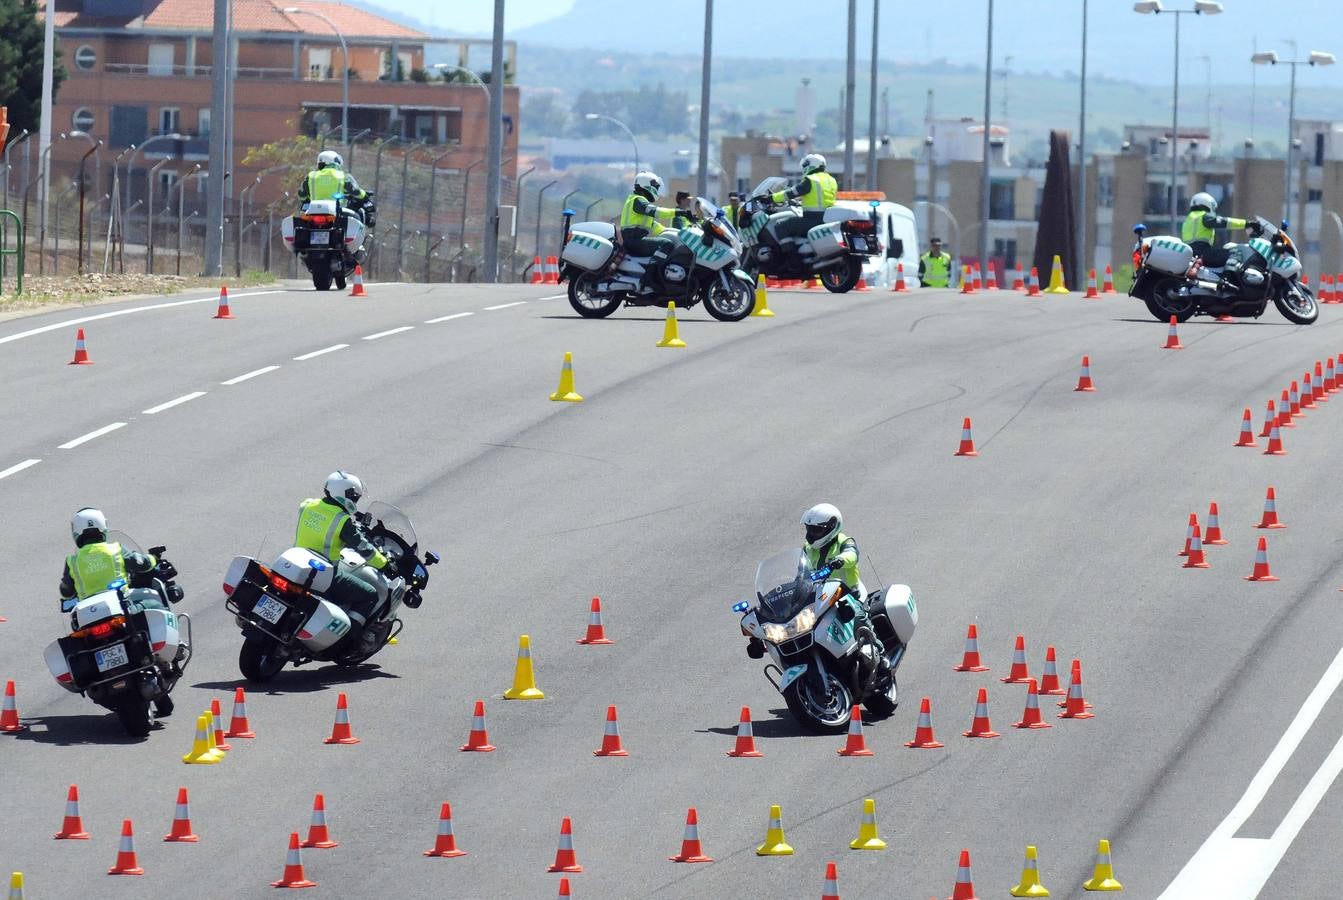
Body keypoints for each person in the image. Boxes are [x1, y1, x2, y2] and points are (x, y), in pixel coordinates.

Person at [294, 471, 392, 627]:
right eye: (354, 498)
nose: (355, 501)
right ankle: (348, 639)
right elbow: (363, 548)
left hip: (297, 563)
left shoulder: (307, 505)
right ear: (344, 495)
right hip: (323, 574)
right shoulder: (342, 520)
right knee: (370, 595)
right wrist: (385, 564)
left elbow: (321, 527)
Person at [59, 508, 163, 612]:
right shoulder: (116, 549)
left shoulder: (72, 561)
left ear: (75, 531)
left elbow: (66, 592)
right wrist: (154, 557)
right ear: (102, 526)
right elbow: (142, 563)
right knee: (156, 604)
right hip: (120, 606)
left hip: (89, 612)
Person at [619, 171, 684, 290]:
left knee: (669, 240)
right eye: (656, 187)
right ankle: (649, 277)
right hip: (635, 240)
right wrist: (678, 212)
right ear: (646, 185)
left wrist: (680, 233)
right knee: (666, 244)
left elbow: (656, 227)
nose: (656, 189)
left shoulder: (638, 202)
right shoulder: (638, 200)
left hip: (636, 239)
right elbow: (656, 211)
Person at [768, 153, 837, 240]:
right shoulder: (831, 180)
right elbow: (821, 197)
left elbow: (791, 193)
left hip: (812, 220)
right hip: (826, 220)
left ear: (813, 165)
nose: (804, 167)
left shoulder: (812, 179)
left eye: (805, 165)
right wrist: (800, 202)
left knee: (780, 226)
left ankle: (789, 253)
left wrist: (771, 198)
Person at [1182, 192, 1248, 269]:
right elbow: (1224, 222)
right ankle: (1229, 277)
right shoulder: (1204, 216)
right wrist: (1247, 224)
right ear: (1208, 204)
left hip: (1189, 254)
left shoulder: (1187, 220)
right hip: (1203, 253)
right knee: (1235, 253)